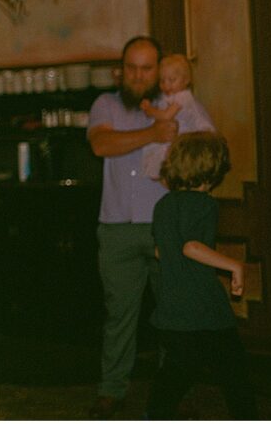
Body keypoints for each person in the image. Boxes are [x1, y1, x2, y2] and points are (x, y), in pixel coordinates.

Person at [86, 35, 179, 419]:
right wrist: (153, 135)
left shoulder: (174, 106)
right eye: (132, 68)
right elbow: (101, 145)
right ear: (120, 70)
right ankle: (112, 392)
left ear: (158, 70)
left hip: (165, 229)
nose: (138, 76)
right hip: (118, 230)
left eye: (146, 68)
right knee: (119, 316)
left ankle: (172, 388)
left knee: (173, 313)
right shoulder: (105, 104)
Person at [147, 132, 256, 419]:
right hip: (203, 308)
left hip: (172, 308)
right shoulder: (205, 204)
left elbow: (160, 252)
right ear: (214, 170)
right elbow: (192, 246)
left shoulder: (163, 204)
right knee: (235, 374)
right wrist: (235, 266)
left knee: (176, 373)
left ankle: (153, 416)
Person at [140, 54, 216, 179]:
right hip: (181, 138)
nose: (166, 85)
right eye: (162, 81)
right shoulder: (167, 97)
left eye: (172, 80)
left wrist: (149, 109)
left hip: (197, 138)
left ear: (186, 80)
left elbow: (166, 115)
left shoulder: (184, 97)